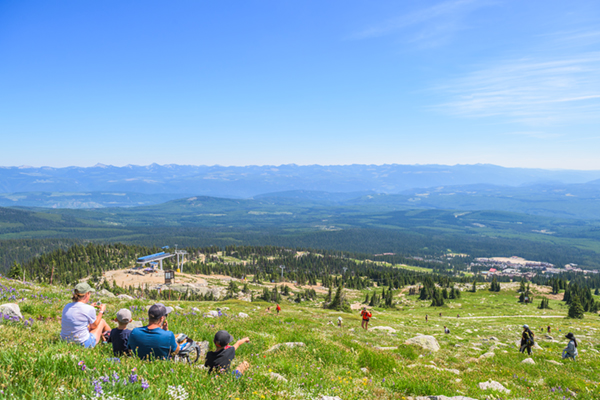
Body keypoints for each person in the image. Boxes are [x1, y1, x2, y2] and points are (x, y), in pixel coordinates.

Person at [60, 282, 110, 348]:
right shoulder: (88, 309)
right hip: (82, 343)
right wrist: (101, 311)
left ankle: (106, 340)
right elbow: (94, 326)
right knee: (102, 321)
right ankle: (113, 340)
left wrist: (90, 308)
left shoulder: (67, 306)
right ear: (87, 294)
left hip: (65, 341)